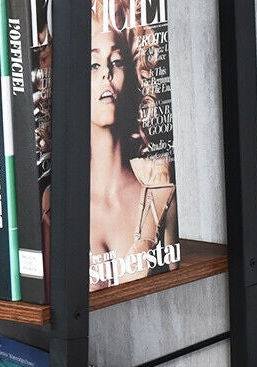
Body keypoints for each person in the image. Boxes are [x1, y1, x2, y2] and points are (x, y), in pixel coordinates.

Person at [43, 0, 178, 290]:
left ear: (129, 73)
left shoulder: (160, 194)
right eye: (92, 64)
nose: (106, 72)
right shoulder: (51, 203)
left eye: (115, 61)